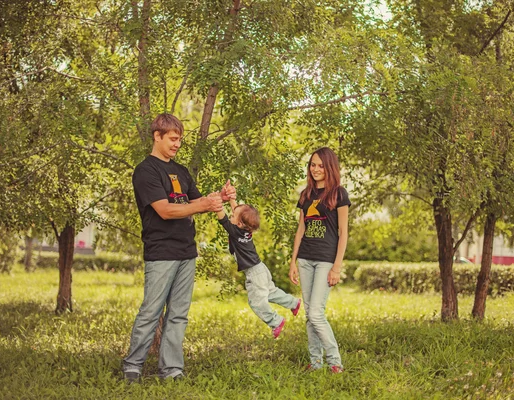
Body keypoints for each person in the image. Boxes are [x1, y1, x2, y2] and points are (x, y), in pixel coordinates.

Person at [122, 113, 234, 382]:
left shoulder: (181, 172)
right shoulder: (146, 171)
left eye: (180, 140)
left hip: (187, 252)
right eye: (173, 139)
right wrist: (204, 204)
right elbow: (165, 210)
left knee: (178, 315)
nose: (177, 145)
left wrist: (220, 197)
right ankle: (132, 367)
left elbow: (196, 203)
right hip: (161, 252)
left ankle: (171, 370)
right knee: (151, 311)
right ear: (157, 136)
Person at [288, 147, 350, 374]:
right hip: (305, 259)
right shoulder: (306, 195)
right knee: (309, 315)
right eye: (313, 165)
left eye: (321, 165)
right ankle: (315, 363)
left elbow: (343, 233)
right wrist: (293, 261)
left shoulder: (339, 194)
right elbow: (300, 229)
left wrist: (337, 267)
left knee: (316, 313)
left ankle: (335, 362)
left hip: (325, 261)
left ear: (329, 167)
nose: (316, 169)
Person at [216, 187, 301, 338]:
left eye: (233, 215)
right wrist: (230, 198)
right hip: (260, 268)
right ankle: (293, 303)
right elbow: (238, 210)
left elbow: (222, 217)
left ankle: (276, 321)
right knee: (271, 293)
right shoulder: (245, 229)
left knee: (256, 302)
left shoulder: (234, 231)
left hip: (255, 273)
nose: (231, 214)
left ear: (240, 223)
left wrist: (215, 203)